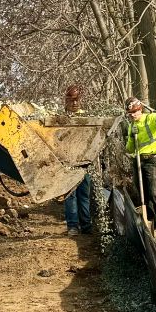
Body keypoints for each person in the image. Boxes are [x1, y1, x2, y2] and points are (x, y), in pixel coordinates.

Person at [124, 96, 156, 229]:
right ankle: (149, 220)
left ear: (140, 109)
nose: (132, 115)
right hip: (138, 160)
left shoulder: (150, 118)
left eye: (134, 112)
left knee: (154, 192)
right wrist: (131, 136)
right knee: (142, 193)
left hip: (152, 160)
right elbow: (129, 149)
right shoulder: (131, 126)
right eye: (130, 113)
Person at [63, 85, 91, 236]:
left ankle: (86, 225)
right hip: (67, 163)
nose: (74, 103)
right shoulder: (61, 119)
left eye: (77, 100)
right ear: (66, 101)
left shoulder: (87, 118)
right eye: (72, 100)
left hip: (83, 162)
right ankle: (73, 226)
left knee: (83, 194)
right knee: (70, 195)